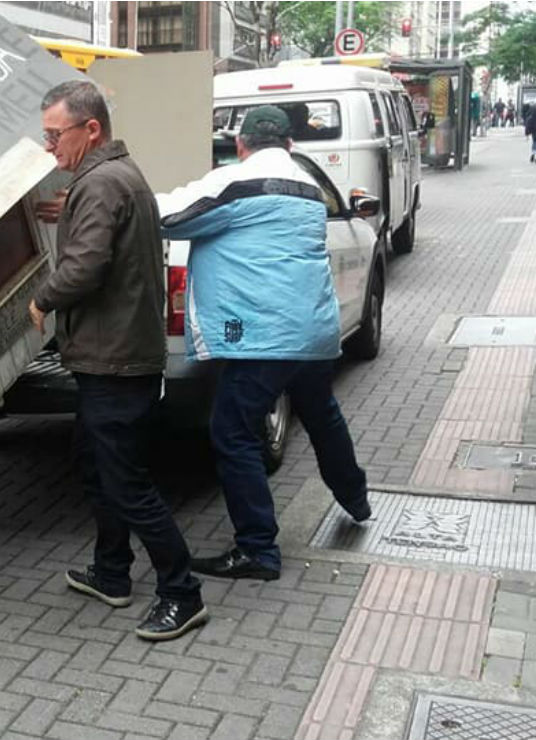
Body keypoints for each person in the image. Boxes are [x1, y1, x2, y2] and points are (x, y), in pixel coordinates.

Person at [155, 105, 371, 582]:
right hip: (311, 329)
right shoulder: (309, 186)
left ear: (241, 145)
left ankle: (257, 550)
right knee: (321, 416)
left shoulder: (237, 181)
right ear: (290, 145)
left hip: (263, 336)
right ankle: (356, 498)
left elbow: (171, 216)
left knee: (232, 432)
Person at [28, 81, 206, 642]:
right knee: (96, 464)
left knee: (126, 482)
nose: (50, 147)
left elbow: (84, 266)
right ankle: (112, 574)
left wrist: (42, 299)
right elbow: (100, 230)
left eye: (55, 136)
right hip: (112, 357)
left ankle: (182, 592)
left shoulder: (101, 183)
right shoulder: (107, 178)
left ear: (92, 130)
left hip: (115, 362)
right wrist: (72, 209)